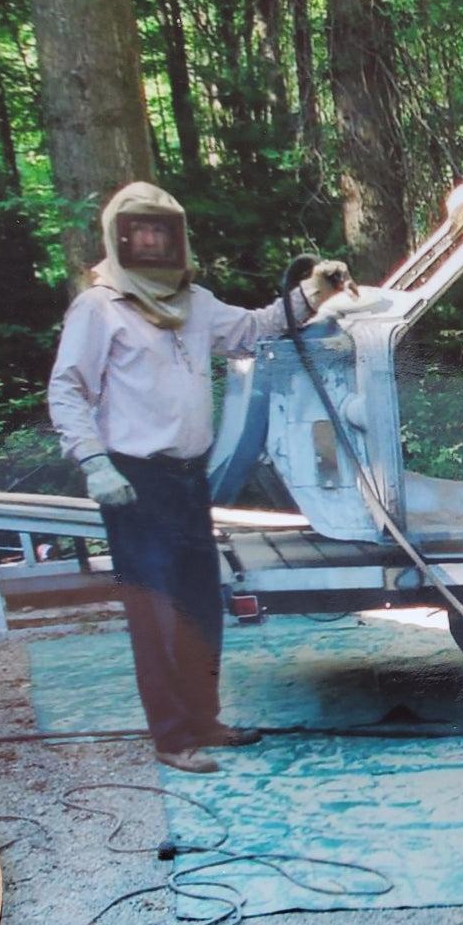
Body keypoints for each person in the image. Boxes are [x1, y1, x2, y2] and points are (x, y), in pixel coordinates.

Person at [48, 181, 357, 773]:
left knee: (197, 605)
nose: (151, 241)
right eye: (140, 231)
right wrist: (93, 461)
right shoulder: (99, 307)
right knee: (156, 613)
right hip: (134, 480)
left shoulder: (196, 303)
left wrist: (313, 291)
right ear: (118, 237)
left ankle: (204, 720)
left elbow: (256, 328)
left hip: (190, 477)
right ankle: (171, 738)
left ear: (177, 236)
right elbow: (67, 389)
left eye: (160, 231)